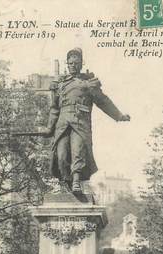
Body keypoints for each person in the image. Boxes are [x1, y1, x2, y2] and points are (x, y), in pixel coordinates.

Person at [44, 47, 130, 193]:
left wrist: (119, 115)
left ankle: (77, 182)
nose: (73, 66)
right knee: (61, 156)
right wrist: (49, 127)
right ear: (67, 64)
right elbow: (54, 108)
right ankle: (66, 183)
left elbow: (103, 101)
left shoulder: (89, 82)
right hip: (62, 124)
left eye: (76, 63)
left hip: (80, 122)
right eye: (70, 63)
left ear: (81, 64)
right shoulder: (60, 84)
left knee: (78, 152)